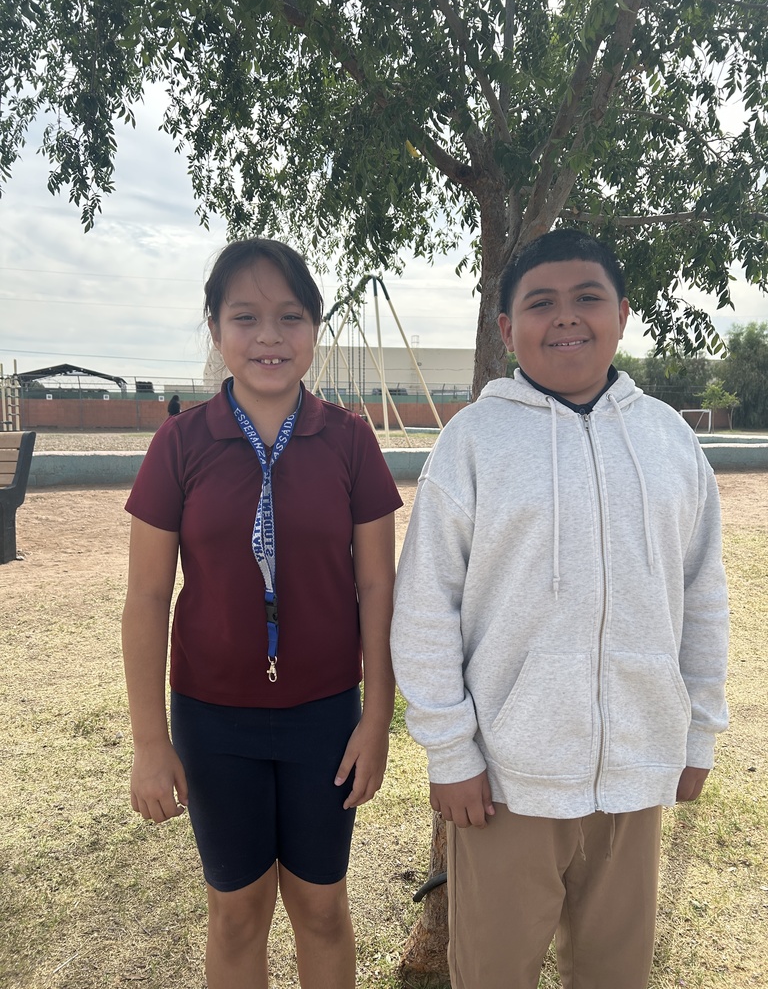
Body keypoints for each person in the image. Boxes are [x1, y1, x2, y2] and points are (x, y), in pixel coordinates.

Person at [390, 229, 729, 989]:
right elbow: (425, 609)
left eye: (588, 299)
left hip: (638, 773)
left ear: (622, 314)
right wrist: (451, 752)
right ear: (507, 329)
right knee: (493, 974)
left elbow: (703, 597)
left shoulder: (670, 441)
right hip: (507, 783)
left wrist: (698, 733)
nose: (566, 317)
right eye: (541, 303)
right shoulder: (471, 444)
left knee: (615, 975)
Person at [122, 237, 402, 989]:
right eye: (245, 317)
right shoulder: (180, 443)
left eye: (291, 316)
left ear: (314, 329)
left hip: (324, 718)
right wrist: (151, 742)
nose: (270, 337)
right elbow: (147, 597)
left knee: (321, 909)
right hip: (215, 722)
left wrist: (377, 717)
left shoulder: (350, 440)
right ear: (216, 330)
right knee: (237, 913)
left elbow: (378, 587)